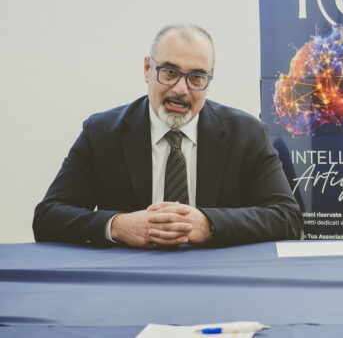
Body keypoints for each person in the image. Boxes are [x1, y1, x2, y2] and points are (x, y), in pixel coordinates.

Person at [34, 23, 302, 248]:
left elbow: (287, 218)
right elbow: (48, 218)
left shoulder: (246, 133)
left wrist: (209, 224)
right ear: (147, 69)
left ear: (209, 81)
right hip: (129, 278)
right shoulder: (102, 132)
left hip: (217, 278)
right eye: (170, 72)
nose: (181, 89)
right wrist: (118, 226)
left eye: (196, 77)